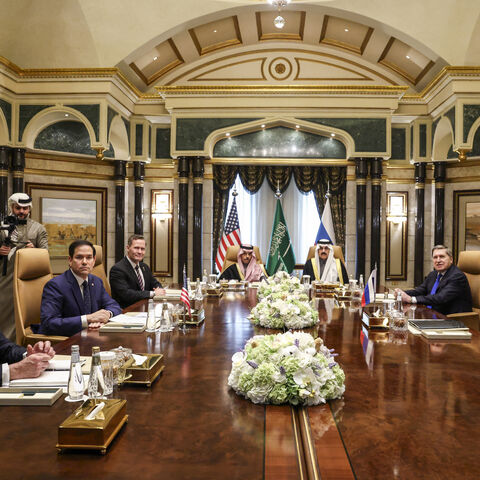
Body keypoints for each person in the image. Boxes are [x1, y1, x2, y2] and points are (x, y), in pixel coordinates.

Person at [37, 240, 121, 336]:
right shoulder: (56, 285)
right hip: (67, 340)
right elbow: (49, 323)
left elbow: (114, 306)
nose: (84, 262)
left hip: (91, 335)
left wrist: (106, 315)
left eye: (89, 258)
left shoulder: (96, 281)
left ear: (94, 261)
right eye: (79, 257)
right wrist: (88, 319)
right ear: (70, 260)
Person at [0, 193, 48, 341]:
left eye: (25, 208)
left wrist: (34, 250)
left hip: (30, 281)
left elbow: (45, 255)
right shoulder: (1, 227)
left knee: (27, 314)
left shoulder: (39, 229)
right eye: (18, 208)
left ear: (29, 209)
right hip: (5, 279)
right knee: (5, 314)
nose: (21, 211)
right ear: (12, 207)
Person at [395, 245, 472, 315]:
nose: (438, 260)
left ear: (451, 259)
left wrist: (411, 299)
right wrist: (401, 293)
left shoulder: (457, 276)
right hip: (432, 314)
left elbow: (440, 298)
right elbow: (420, 290)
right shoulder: (433, 274)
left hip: (451, 319)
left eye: (442, 256)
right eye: (435, 257)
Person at [109, 234, 165, 308]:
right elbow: (126, 294)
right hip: (127, 311)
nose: (139, 252)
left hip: (145, 308)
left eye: (142, 249)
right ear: (128, 248)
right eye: (136, 248)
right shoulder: (117, 269)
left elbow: (155, 283)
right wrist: (153, 293)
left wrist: (159, 289)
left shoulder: (144, 267)